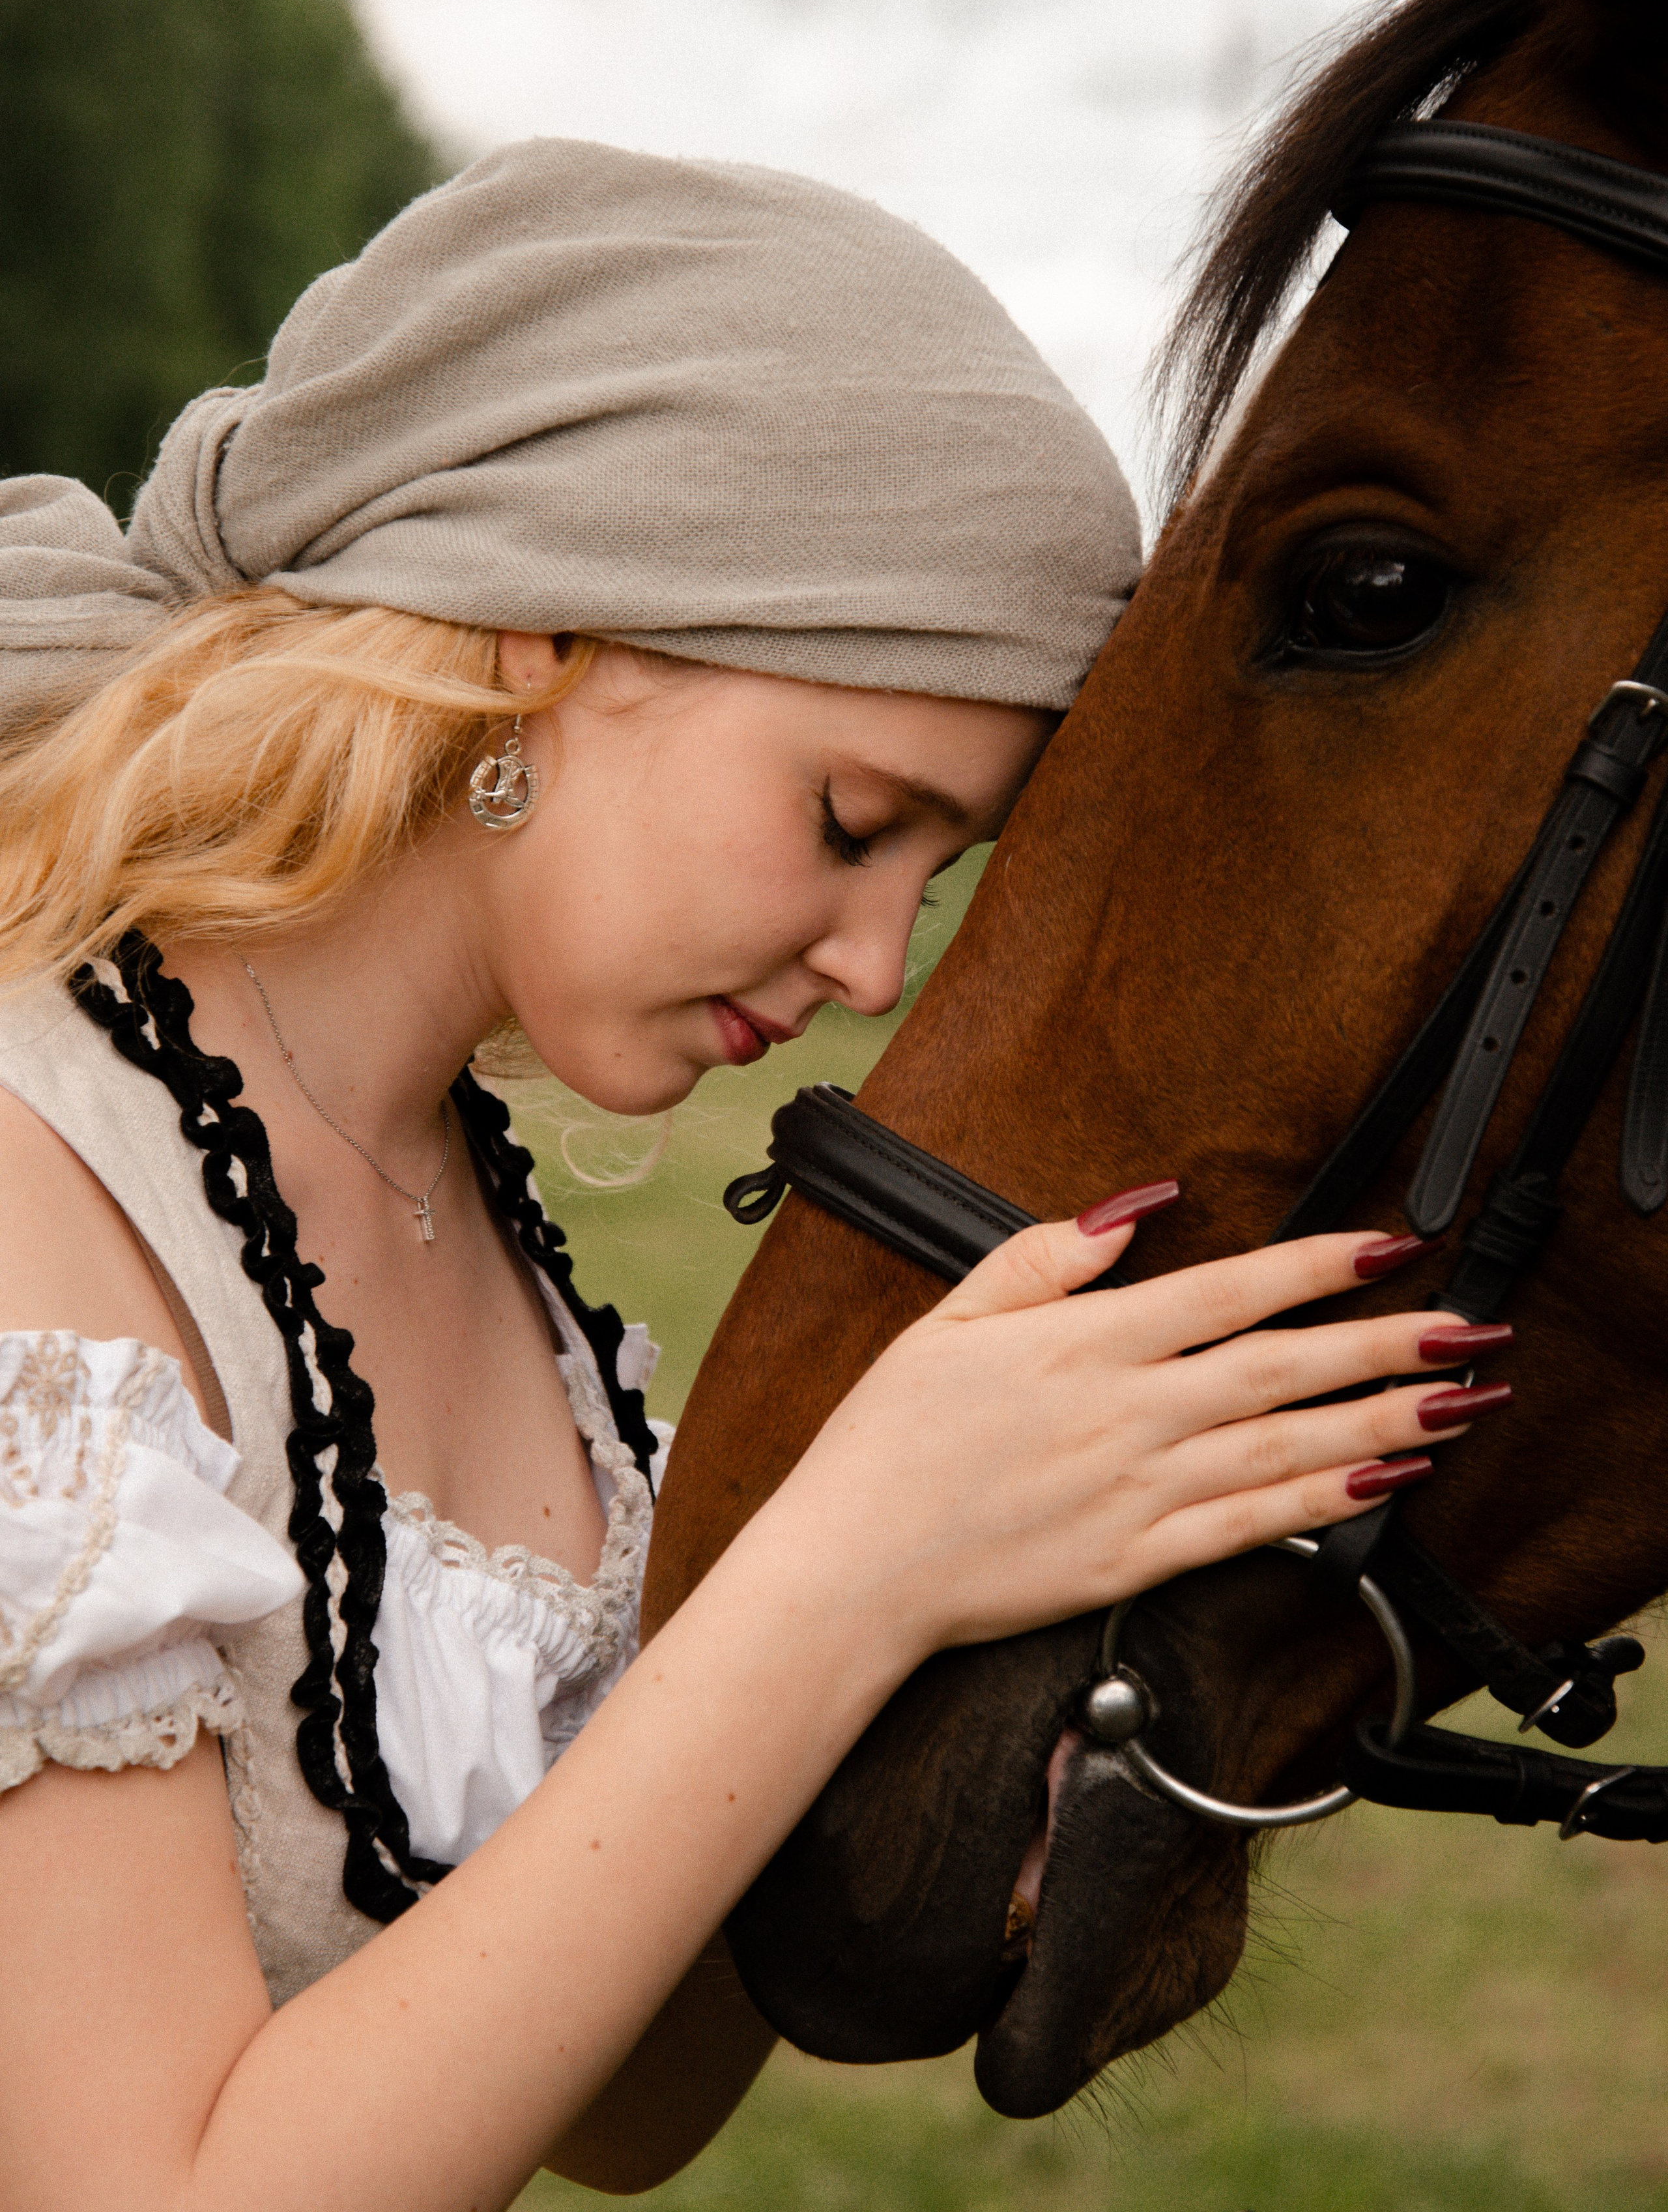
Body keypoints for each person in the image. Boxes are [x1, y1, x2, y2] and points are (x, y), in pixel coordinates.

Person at [0, 139, 1509, 2210]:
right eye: (850, 819)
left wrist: (944, 1624)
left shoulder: (486, 1245)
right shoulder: (34, 1189)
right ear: (547, 633)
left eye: (934, 873)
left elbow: (612, 2120)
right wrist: (848, 1563)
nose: (873, 966)